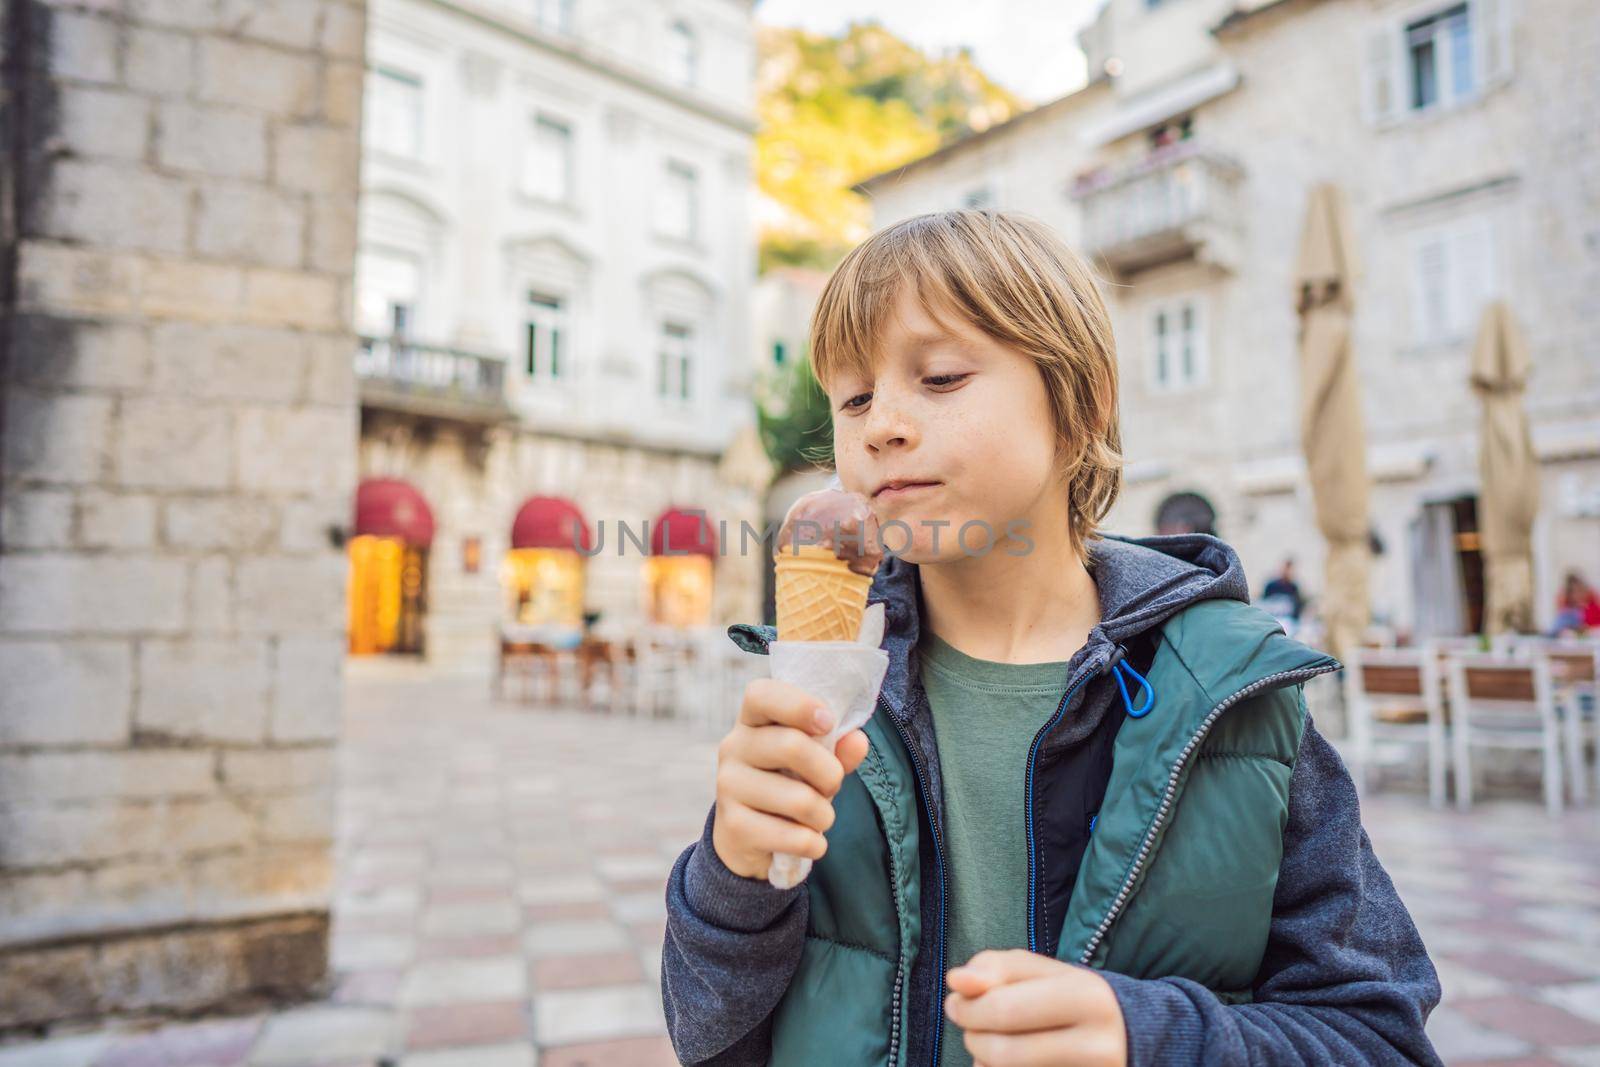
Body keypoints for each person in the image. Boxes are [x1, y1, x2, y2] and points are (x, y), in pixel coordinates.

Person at [661, 211, 1441, 1066]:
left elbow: (1381, 1033)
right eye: (853, 396)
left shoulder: (1237, 699)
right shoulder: (827, 693)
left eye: (942, 377)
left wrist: (1152, 1038)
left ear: (1079, 404)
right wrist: (731, 876)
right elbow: (710, 1035)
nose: (880, 422)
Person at [1552, 570, 1600, 636]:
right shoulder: (1568, 611)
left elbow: (1595, 622)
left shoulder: (1591, 606)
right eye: (1574, 592)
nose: (1577, 595)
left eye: (1579, 591)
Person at [1260, 557, 1304, 624]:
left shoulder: (1293, 588)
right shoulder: (1271, 586)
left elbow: (1297, 608)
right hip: (1272, 619)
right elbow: (1264, 603)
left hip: (1288, 622)